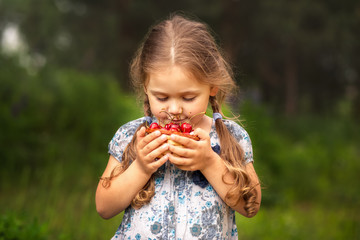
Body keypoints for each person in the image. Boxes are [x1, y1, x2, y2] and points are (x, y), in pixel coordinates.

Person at [96, 13, 261, 239]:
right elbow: (104, 207)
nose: (174, 110)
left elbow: (250, 205)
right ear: (146, 86)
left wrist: (209, 162)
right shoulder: (133, 136)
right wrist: (141, 167)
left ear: (212, 86)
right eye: (162, 98)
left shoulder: (230, 137)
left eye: (188, 98)